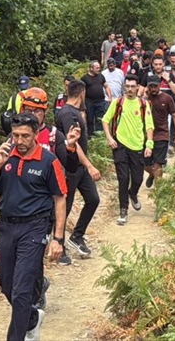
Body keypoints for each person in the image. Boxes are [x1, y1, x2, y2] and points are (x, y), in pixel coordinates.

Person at [0, 111, 67, 341]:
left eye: (25, 136)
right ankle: (32, 319)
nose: (20, 141)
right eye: (16, 135)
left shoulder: (49, 161)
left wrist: (58, 239)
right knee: (6, 283)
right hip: (6, 226)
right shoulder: (5, 153)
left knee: (21, 292)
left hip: (34, 228)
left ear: (36, 134)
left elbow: (60, 198)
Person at [54, 80, 102, 259]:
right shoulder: (68, 114)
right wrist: (90, 165)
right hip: (70, 167)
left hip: (80, 168)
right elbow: (72, 143)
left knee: (93, 199)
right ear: (82, 93)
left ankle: (77, 235)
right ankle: (59, 245)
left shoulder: (73, 112)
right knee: (64, 207)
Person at [101, 75, 153, 226]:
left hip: (137, 146)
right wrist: (109, 138)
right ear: (124, 87)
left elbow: (149, 125)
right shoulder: (118, 103)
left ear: (138, 87)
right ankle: (123, 210)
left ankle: (133, 194)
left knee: (137, 179)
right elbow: (105, 120)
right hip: (120, 146)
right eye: (127, 86)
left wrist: (149, 145)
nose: (130, 89)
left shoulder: (144, 104)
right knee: (123, 179)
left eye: (132, 86)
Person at [143, 78, 175, 188]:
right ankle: (152, 174)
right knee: (144, 164)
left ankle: (158, 190)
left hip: (162, 135)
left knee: (158, 164)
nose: (153, 89)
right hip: (146, 136)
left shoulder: (167, 98)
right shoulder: (145, 99)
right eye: (151, 86)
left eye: (156, 86)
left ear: (160, 85)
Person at [80, 61, 108, 137]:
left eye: (99, 68)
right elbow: (82, 92)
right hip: (89, 102)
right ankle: (90, 136)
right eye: (97, 68)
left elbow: (106, 86)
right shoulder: (84, 78)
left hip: (100, 102)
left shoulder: (101, 76)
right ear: (91, 68)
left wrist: (110, 97)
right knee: (90, 120)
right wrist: (82, 104)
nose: (99, 69)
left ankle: (99, 136)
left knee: (100, 119)